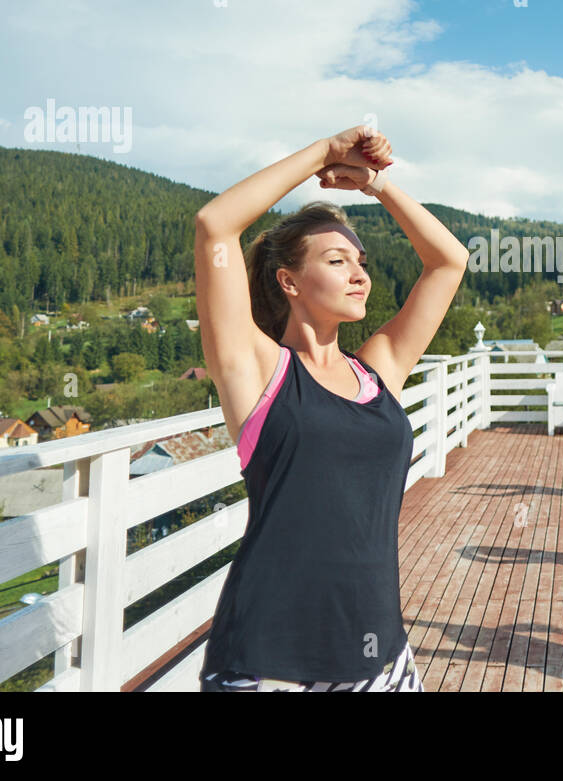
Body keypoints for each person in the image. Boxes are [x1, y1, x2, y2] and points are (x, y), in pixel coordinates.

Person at [194, 124, 469, 692]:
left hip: (381, 656)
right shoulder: (259, 373)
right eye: (338, 261)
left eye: (360, 261)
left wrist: (376, 186)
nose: (360, 274)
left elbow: (449, 261)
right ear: (289, 281)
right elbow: (215, 225)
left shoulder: (378, 370)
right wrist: (325, 152)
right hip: (271, 663)